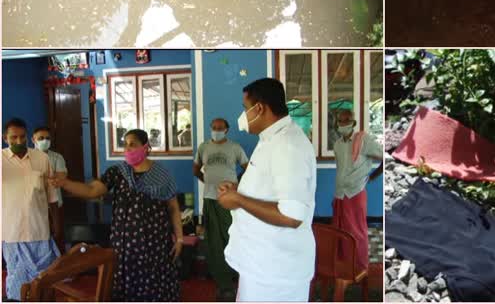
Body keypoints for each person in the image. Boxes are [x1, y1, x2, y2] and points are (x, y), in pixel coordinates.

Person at [51, 129, 182, 301]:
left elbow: (173, 206)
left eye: (132, 144)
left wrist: (179, 238)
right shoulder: (118, 172)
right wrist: (65, 183)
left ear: (146, 147)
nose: (127, 149)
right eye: (125, 144)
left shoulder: (161, 174)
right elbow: (92, 191)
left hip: (154, 244)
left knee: (154, 287)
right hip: (125, 245)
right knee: (125, 286)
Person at [217, 78, 316, 302]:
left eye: (245, 108)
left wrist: (239, 200)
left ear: (259, 108)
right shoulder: (271, 139)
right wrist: (238, 191)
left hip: (276, 275)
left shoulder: (287, 146)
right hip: (262, 265)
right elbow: (270, 188)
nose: (243, 115)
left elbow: (291, 215)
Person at [2, 118, 61, 301]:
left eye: (22, 137)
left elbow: (52, 196)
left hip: (39, 232)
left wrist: (57, 227)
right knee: (16, 285)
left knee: (44, 283)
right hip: (12, 234)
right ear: (5, 138)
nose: (19, 142)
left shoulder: (41, 158)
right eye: (13, 138)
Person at [193, 118, 248, 301]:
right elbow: (196, 170)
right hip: (210, 199)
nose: (216, 130)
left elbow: (248, 169)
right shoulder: (203, 148)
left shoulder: (235, 147)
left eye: (220, 128)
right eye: (214, 128)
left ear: (227, 130)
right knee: (213, 240)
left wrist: (235, 186)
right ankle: (222, 281)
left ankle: (235, 276)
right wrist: (209, 184)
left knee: (231, 236)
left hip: (230, 201)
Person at [332, 109, 383, 272]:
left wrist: (373, 175)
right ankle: (345, 264)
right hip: (340, 193)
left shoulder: (363, 140)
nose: (343, 124)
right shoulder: (337, 145)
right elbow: (340, 168)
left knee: (357, 232)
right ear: (337, 124)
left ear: (353, 123)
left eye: (347, 121)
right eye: (340, 121)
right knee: (340, 231)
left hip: (355, 193)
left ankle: (360, 267)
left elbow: (384, 156)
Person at [32, 126, 67, 252]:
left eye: (47, 138)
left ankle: (61, 266)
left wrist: (38, 177)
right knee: (38, 236)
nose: (44, 141)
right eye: (41, 138)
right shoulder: (28, 157)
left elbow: (60, 179)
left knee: (58, 234)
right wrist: (48, 178)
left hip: (55, 203)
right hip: (34, 204)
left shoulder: (57, 157)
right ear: (33, 140)